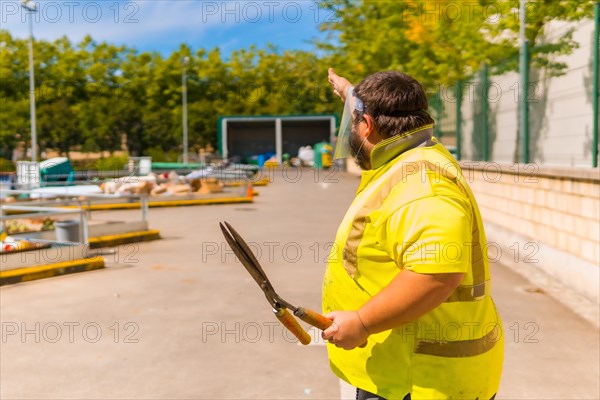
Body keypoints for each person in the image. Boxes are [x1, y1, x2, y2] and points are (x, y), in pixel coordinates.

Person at [321, 68, 504, 400]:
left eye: (353, 122)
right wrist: (350, 93)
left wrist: (361, 322)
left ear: (368, 125)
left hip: (420, 379)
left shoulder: (422, 185)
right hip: (407, 369)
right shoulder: (413, 153)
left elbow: (435, 273)